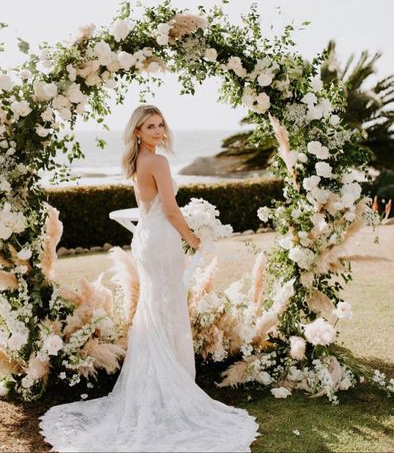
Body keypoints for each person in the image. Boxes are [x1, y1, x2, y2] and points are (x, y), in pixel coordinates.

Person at [39, 105, 261, 452]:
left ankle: (153, 388)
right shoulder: (158, 162)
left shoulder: (138, 161)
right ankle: (167, 389)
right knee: (165, 308)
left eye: (160, 124)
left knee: (155, 310)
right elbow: (170, 211)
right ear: (138, 132)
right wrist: (192, 236)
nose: (158, 131)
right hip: (160, 242)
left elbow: (153, 208)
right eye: (150, 126)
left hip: (148, 238)